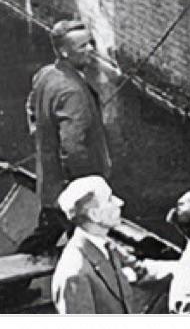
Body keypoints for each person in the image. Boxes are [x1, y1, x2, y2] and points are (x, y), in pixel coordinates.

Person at [22, 19, 112, 254]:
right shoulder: (72, 91)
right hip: (71, 190)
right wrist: (89, 188)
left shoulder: (46, 75)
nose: (91, 51)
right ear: (64, 51)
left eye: (91, 44)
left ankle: (10, 289)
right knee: (81, 242)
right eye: (83, 47)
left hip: (50, 180)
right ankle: (9, 288)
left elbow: (31, 108)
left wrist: (41, 136)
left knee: (46, 234)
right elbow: (73, 147)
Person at [51, 176, 135, 314]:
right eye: (109, 199)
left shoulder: (104, 245)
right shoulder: (75, 272)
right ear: (94, 215)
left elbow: (139, 269)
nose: (119, 202)